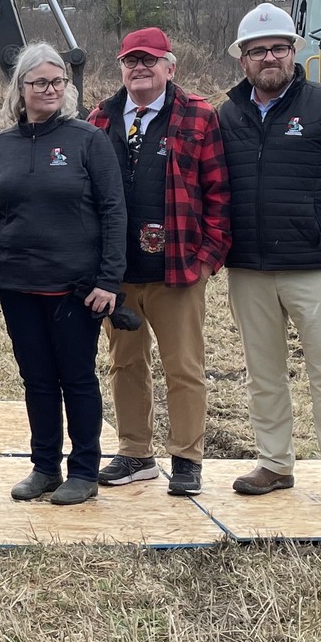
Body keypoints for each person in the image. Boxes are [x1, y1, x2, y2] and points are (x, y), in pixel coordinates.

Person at [217, 3, 321, 513]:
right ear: (242, 60)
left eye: (279, 48)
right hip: (249, 267)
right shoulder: (227, 115)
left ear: (296, 53)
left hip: (319, 267)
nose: (270, 57)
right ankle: (274, 463)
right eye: (258, 50)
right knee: (262, 373)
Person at [0, 43, 124, 505]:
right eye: (40, 82)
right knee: (36, 380)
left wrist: (109, 280)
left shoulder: (88, 140)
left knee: (77, 378)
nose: (50, 89)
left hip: (76, 288)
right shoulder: (1, 147)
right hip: (18, 285)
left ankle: (83, 470)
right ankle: (44, 467)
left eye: (58, 82)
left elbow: (115, 211)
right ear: (21, 89)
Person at [89, 27, 231, 498]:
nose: (140, 68)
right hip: (119, 276)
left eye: (150, 60)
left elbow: (218, 194)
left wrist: (207, 259)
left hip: (178, 273)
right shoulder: (101, 120)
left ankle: (187, 459)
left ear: (171, 67)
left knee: (184, 368)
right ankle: (135, 452)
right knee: (125, 365)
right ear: (121, 69)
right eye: (131, 60)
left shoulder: (199, 115)